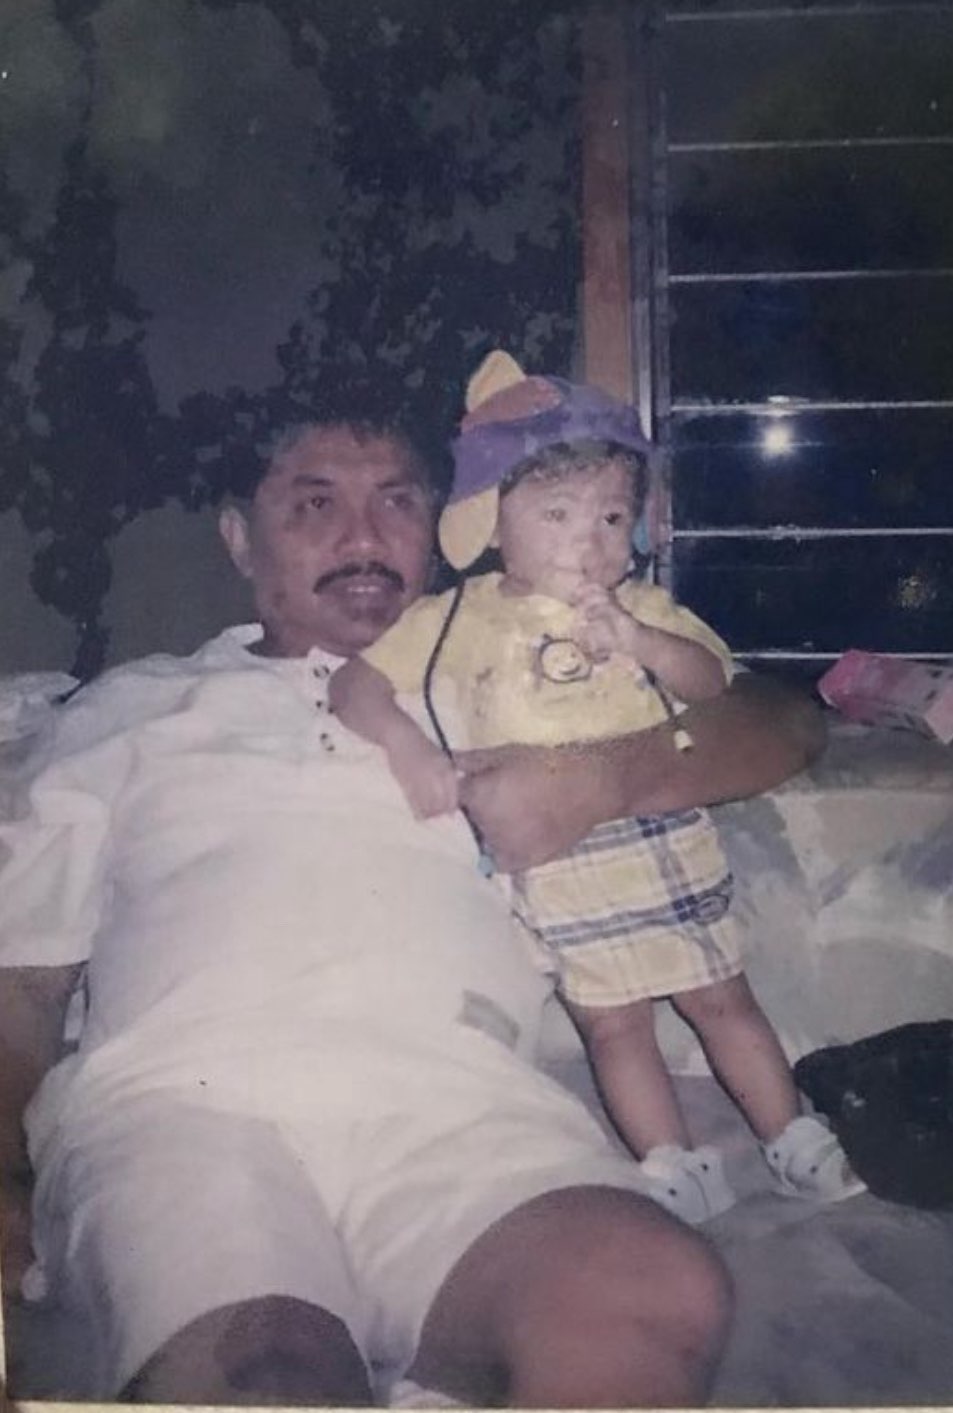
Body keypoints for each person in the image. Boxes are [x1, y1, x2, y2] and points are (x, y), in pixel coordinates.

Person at [0, 395, 823, 1408]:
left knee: (652, 1291)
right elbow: (21, 986)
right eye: (314, 504)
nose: (362, 537)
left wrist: (600, 778)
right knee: (266, 1374)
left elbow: (786, 722)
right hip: (182, 1106)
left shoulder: (513, 671)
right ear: (238, 538)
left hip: (461, 1104)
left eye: (396, 501)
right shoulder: (133, 706)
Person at [331, 352, 864, 1221]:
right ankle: (671, 1162)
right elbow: (354, 685)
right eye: (558, 514)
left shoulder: (642, 604)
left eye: (612, 515)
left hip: (660, 831)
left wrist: (641, 641)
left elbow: (710, 682)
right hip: (558, 858)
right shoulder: (453, 618)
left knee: (720, 996)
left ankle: (790, 1134)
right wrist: (408, 749)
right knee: (614, 1025)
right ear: (489, 522)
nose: (590, 541)